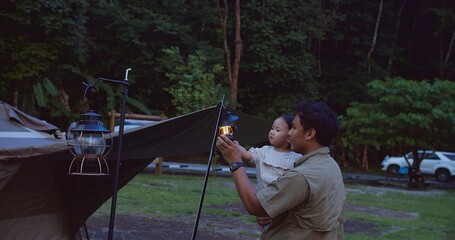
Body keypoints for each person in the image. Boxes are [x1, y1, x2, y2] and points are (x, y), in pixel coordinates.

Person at [216, 100, 346, 240]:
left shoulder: (301, 176)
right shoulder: (331, 165)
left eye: (294, 128)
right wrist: (271, 213)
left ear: (310, 134)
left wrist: (235, 162)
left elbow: (254, 206)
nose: (289, 133)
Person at [237, 114, 302, 190]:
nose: (272, 132)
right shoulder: (264, 151)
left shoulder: (297, 158)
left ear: (289, 137)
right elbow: (247, 154)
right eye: (272, 128)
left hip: (282, 199)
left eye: (277, 130)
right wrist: (234, 145)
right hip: (261, 198)